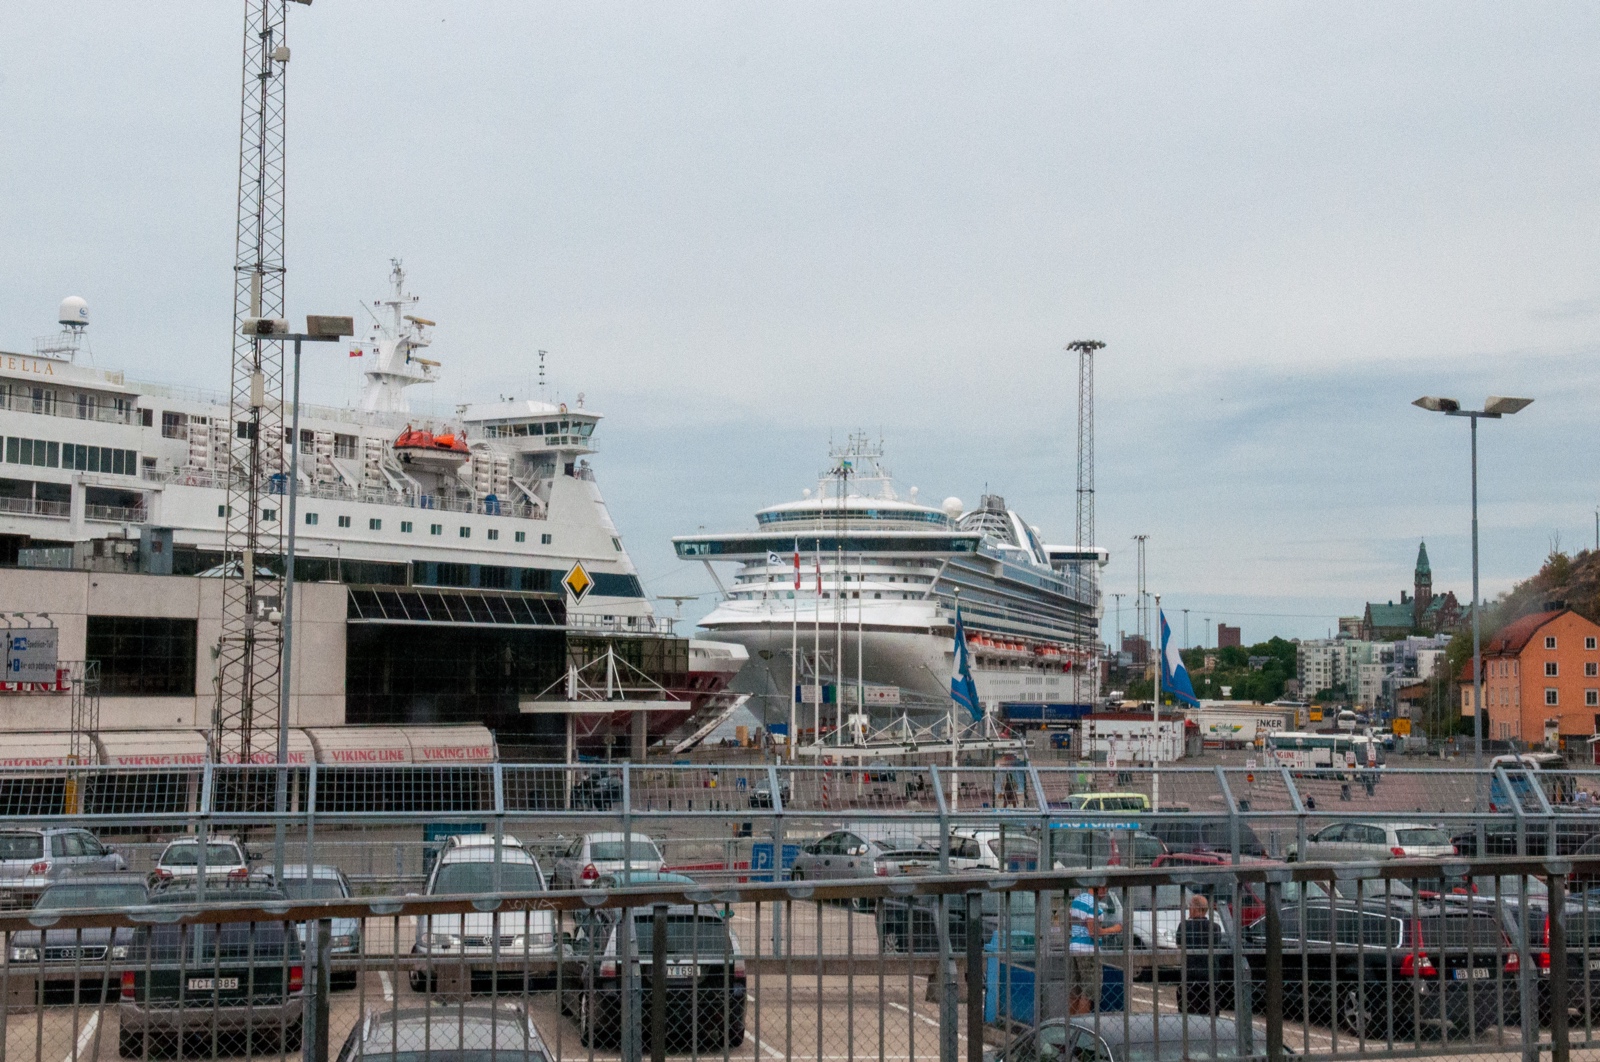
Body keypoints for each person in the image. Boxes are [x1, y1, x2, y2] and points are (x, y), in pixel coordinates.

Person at [1068, 885, 1121, 1013]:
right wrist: (1114, 929)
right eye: (1106, 890)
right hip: (1088, 951)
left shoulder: (1077, 901)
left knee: (1075, 991)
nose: (1105, 894)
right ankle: (1081, 1026)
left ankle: (1070, 1025)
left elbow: (1070, 924)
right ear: (1100, 888)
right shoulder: (1094, 905)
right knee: (1089, 992)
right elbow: (1093, 932)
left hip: (1074, 948)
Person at [1178, 894, 1229, 1014]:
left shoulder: (1184, 926)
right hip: (1210, 975)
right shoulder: (1215, 928)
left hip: (1190, 975)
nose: (1189, 909)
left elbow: (1179, 946)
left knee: (1189, 1012)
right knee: (1210, 1011)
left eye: (1190, 906)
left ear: (1196, 908)